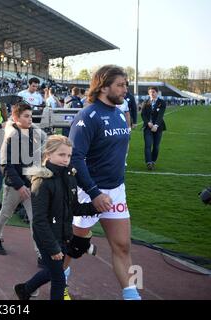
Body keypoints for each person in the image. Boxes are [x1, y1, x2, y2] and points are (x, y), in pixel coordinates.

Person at [66, 65, 141, 300]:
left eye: (125, 85)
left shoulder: (120, 113)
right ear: (103, 86)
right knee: (73, 246)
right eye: (120, 85)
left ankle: (132, 296)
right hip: (89, 193)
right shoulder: (87, 116)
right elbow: (74, 158)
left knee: (122, 247)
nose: (125, 90)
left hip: (117, 191)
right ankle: (57, 283)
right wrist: (94, 192)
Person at [13, 135, 98, 300]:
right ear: (48, 154)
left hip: (64, 235)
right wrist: (52, 248)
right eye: (61, 155)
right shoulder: (42, 181)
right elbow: (39, 221)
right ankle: (25, 289)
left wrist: (96, 207)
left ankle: (25, 289)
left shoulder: (69, 176)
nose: (66, 159)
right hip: (47, 238)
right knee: (59, 280)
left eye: (68, 155)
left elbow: (74, 207)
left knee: (52, 272)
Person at [0, 101, 46, 260]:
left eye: (31, 116)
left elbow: (44, 146)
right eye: (26, 116)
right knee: (5, 214)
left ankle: (41, 253)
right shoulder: (10, 136)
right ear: (15, 118)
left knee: (35, 219)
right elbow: (5, 165)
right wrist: (20, 185)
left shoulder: (33, 133)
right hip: (14, 185)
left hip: (31, 184)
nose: (30, 120)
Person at [141, 86, 167, 171]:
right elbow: (143, 114)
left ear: (157, 92)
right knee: (148, 145)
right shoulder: (145, 102)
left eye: (153, 92)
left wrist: (156, 125)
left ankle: (153, 161)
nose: (152, 94)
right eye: (150, 92)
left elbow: (160, 115)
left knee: (156, 146)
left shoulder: (162, 102)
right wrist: (148, 122)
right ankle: (148, 163)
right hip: (147, 127)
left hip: (158, 128)